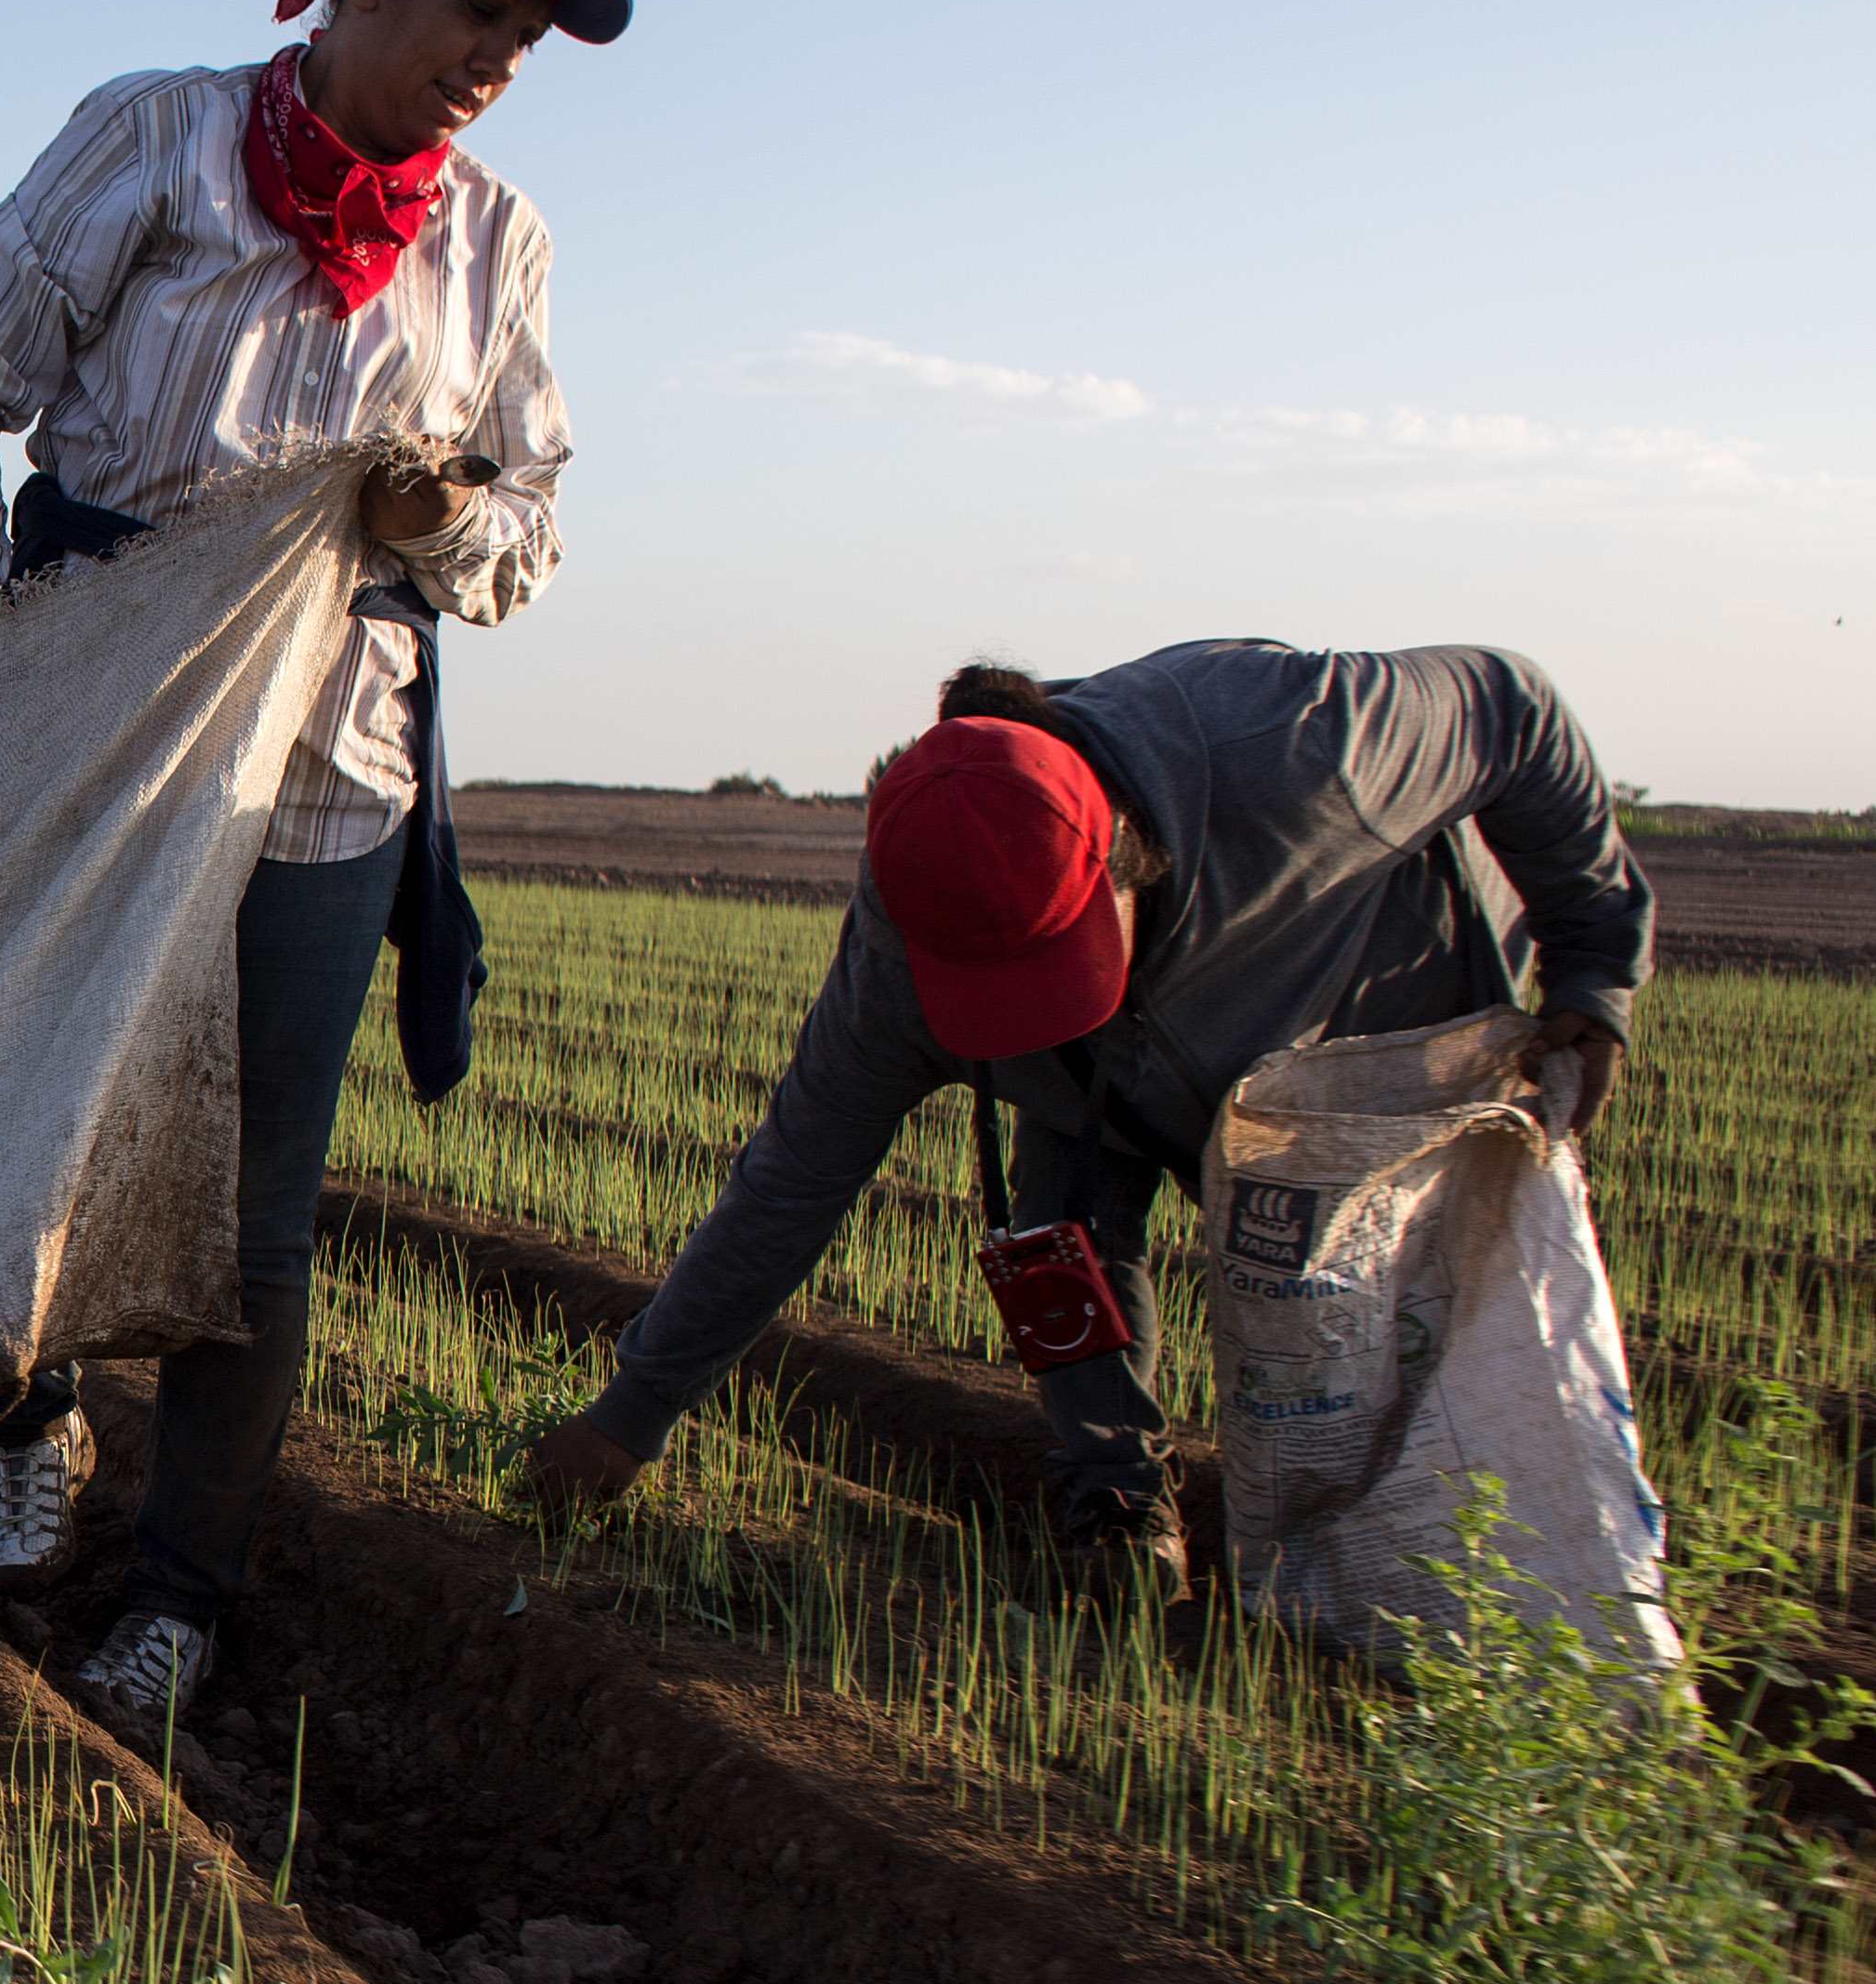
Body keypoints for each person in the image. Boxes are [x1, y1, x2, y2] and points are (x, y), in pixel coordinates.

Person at [0, 0, 630, 1733]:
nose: (498, 60)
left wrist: (438, 514)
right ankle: (31, 1422)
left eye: (528, 38)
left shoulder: (496, 244)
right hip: (103, 726)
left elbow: (529, 535)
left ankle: (182, 1600)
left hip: (328, 768)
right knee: (33, 1105)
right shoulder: (154, 143)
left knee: (255, 1207)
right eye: (480, 10)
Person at [519, 645, 1653, 1599]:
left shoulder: (1297, 748)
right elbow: (790, 1187)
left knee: (1400, 1322)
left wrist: (1594, 972)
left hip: (1373, 1007)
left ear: (1121, 850)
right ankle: (1117, 1500)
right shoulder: (902, 949)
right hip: (1129, 1078)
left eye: (1049, 965)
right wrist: (630, 1416)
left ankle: (1479, 1577)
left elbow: (1512, 708)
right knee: (1056, 1210)